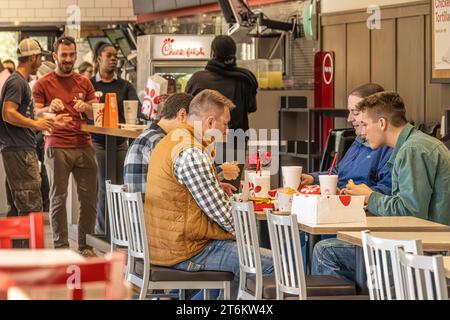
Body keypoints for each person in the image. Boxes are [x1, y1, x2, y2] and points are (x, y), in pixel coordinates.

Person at [145, 89, 274, 299]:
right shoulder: (192, 153)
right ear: (211, 122)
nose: (227, 130)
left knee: (242, 259)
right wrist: (249, 233)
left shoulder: (173, 140)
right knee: (272, 264)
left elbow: (187, 196)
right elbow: (224, 215)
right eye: (225, 124)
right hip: (185, 249)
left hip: (168, 243)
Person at [311, 91, 450, 284]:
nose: (363, 132)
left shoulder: (412, 150)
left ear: (382, 123)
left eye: (366, 125)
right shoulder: (414, 145)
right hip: (422, 245)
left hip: (426, 253)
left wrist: (370, 197)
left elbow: (412, 212)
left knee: (326, 250)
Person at [33, 36, 99, 257]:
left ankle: (85, 245)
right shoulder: (44, 83)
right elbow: (34, 113)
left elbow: (96, 113)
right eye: (64, 55)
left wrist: (86, 107)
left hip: (84, 144)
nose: (68, 59)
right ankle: (61, 247)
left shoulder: (84, 82)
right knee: (58, 197)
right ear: (55, 56)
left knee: (89, 198)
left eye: (71, 55)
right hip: (56, 145)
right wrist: (49, 108)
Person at [124, 92, 240, 196]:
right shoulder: (162, 142)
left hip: (138, 213)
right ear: (182, 115)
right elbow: (192, 179)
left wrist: (216, 185)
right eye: (192, 121)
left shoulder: (150, 136)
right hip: (149, 215)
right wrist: (220, 170)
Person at [186, 35, 258, 188]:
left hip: (202, 141)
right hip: (236, 141)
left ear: (212, 53)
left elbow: (188, 110)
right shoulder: (245, 79)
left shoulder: (198, 79)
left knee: (204, 187)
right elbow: (251, 108)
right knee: (231, 189)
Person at [0, 39, 59, 219]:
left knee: (19, 208)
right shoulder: (17, 82)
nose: (41, 61)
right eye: (40, 57)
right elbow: (8, 113)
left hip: (18, 149)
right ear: (33, 57)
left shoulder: (19, 81)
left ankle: (16, 247)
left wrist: (43, 118)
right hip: (19, 151)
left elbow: (19, 114)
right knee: (31, 208)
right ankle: (26, 247)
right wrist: (36, 124)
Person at [301, 83, 393, 194]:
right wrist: (312, 178)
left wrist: (345, 193)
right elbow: (339, 171)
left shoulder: (390, 147)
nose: (349, 119)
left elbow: (387, 191)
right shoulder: (359, 140)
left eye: (355, 112)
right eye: (349, 112)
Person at [89, 41, 139, 234]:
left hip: (119, 142)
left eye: (115, 56)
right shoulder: (90, 85)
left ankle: (119, 231)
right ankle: (103, 231)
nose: (113, 60)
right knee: (104, 185)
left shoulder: (125, 85)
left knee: (121, 186)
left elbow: (136, 108)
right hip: (98, 142)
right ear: (98, 58)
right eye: (109, 56)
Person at [31, 61, 57, 212]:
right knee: (45, 170)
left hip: (43, 133)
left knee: (45, 170)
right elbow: (35, 112)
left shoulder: (38, 86)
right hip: (41, 132)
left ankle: (46, 204)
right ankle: (46, 204)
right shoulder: (35, 86)